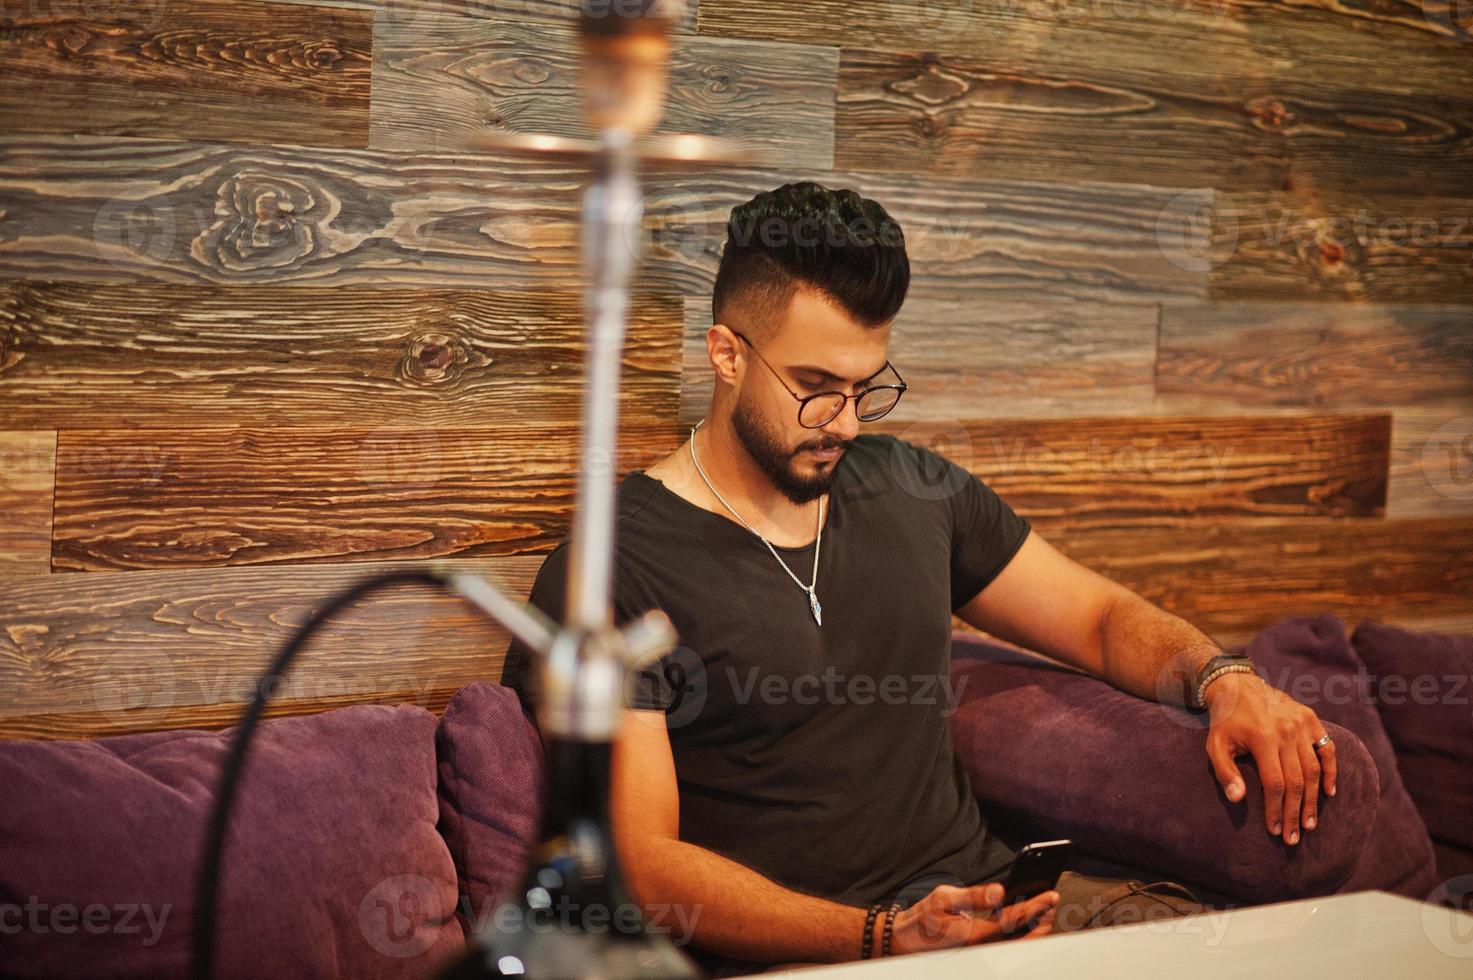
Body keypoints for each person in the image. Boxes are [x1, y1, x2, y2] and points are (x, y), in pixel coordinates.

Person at [501, 181, 1339, 974]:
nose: (846, 423)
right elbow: (639, 869)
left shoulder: (910, 486)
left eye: (867, 388)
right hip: (816, 954)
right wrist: (879, 938)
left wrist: (1223, 677)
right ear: (725, 353)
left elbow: (1095, 617)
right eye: (814, 388)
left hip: (1005, 909)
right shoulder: (611, 571)